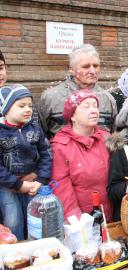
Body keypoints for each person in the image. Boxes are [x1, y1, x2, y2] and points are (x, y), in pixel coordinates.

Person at [51, 90, 112, 222]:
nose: (94, 110)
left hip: (110, 212)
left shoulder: (107, 138)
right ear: (72, 115)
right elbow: (61, 187)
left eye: (95, 105)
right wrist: (76, 220)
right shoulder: (61, 145)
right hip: (82, 218)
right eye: (86, 106)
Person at [0, 84, 51, 240]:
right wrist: (18, 184)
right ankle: (15, 253)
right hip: (7, 186)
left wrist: (40, 179)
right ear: (5, 109)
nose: (28, 109)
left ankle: (36, 248)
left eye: (30, 105)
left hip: (32, 183)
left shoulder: (35, 129)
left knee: (35, 217)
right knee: (12, 219)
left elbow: (46, 154)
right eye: (21, 106)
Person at [37, 44, 117, 138]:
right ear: (71, 69)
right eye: (86, 66)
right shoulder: (50, 98)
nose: (92, 71)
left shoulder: (108, 99)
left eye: (95, 66)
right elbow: (41, 138)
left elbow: (114, 137)